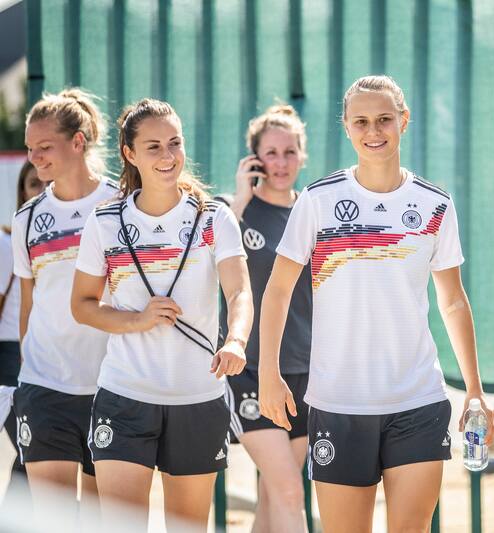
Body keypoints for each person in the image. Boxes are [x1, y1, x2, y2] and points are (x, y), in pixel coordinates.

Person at [258, 75, 494, 533]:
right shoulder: (319, 200)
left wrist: (474, 389)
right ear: (346, 127)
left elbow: (452, 301)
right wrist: (268, 371)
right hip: (338, 403)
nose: (374, 131)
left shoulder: (434, 205)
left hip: (418, 401)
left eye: (385, 119)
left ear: (403, 121)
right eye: (362, 121)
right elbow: (278, 288)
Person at [70, 98, 253, 529]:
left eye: (175, 142)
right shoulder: (105, 221)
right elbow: (81, 305)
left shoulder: (214, 218)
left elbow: (240, 290)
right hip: (124, 396)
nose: (168, 156)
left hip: (198, 400)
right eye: (153, 147)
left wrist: (237, 340)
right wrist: (136, 319)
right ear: (130, 154)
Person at [11, 89, 118, 515]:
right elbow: (27, 306)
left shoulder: (120, 205)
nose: (35, 158)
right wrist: (28, 373)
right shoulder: (29, 218)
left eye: (44, 147)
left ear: (78, 142)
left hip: (112, 387)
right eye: (30, 149)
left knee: (102, 521)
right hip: (45, 386)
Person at [224, 104, 313, 532]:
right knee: (291, 493)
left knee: (274, 496)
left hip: (304, 373)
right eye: (270, 153)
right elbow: (203, 267)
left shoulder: (314, 213)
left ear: (303, 155)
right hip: (252, 373)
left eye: (289, 152)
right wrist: (240, 199)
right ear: (254, 159)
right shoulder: (233, 214)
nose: (281, 163)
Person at [0, 162, 46, 494]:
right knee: (33, 450)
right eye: (34, 184)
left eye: (49, 184)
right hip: (12, 353)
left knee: (37, 452)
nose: (42, 192)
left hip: (52, 353)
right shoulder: (8, 243)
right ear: (22, 193)